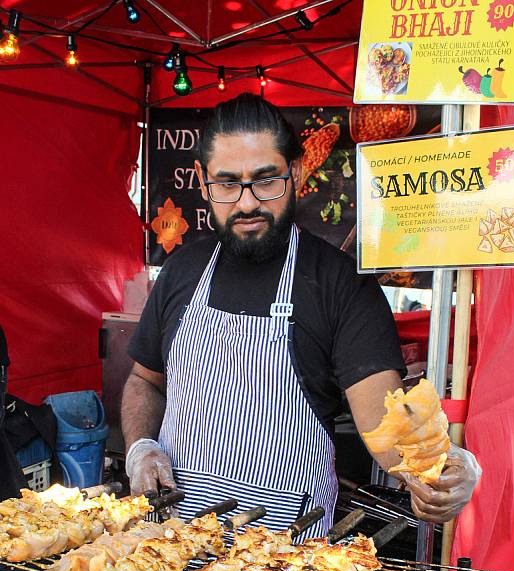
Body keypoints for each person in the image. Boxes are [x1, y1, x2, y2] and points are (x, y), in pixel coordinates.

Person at [123, 93, 480, 535]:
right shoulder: (181, 271)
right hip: (173, 546)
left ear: (294, 172)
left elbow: (385, 424)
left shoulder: (341, 285)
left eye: (266, 180)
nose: (247, 203)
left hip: (289, 563)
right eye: (228, 183)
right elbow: (144, 380)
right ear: (202, 180)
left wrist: (440, 468)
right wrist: (142, 445)